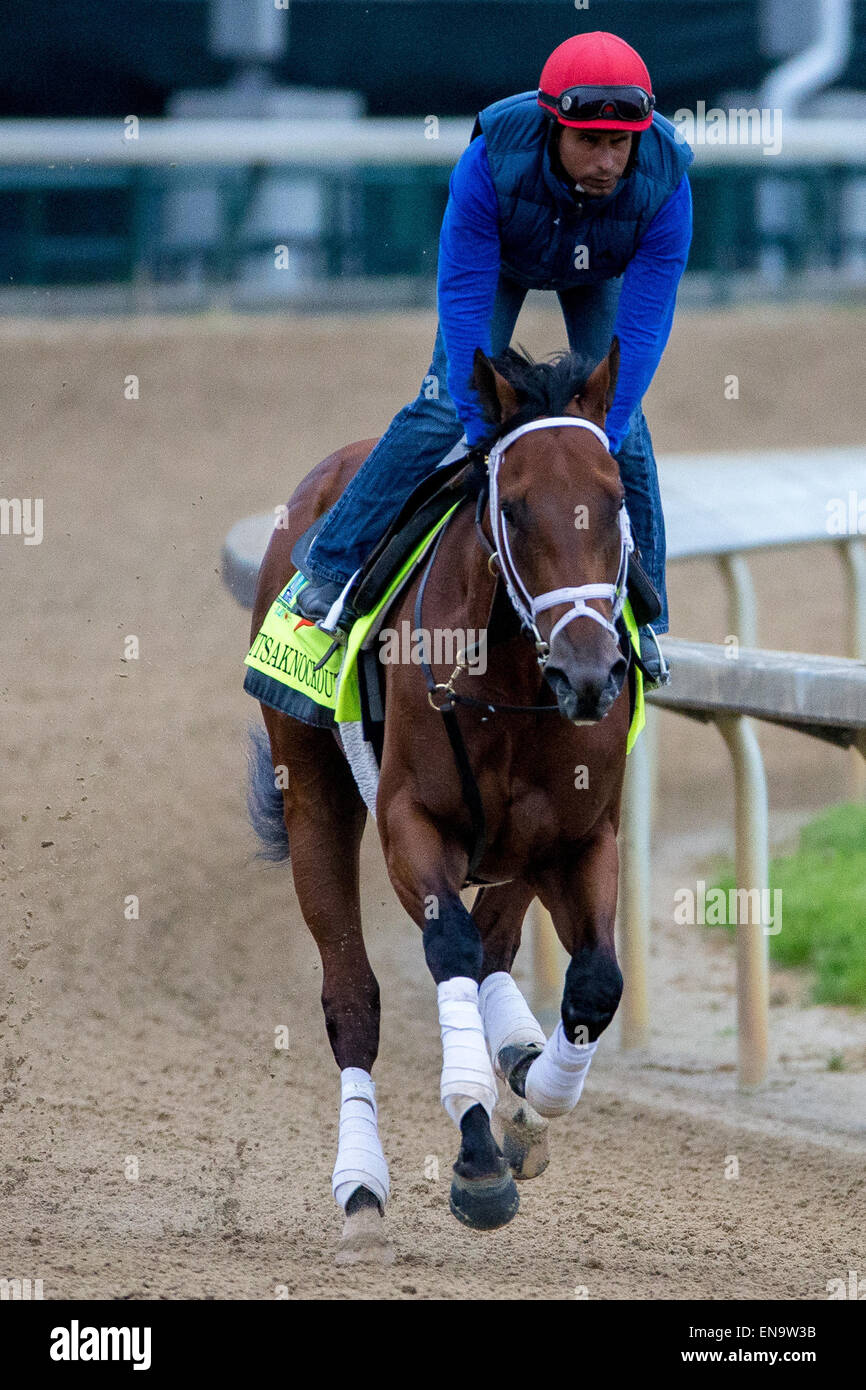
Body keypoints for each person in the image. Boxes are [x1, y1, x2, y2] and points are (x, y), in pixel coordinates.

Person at [294, 30, 694, 687]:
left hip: (600, 267)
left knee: (630, 429)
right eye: (588, 141)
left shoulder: (667, 181)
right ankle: (334, 564)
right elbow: (462, 306)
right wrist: (484, 436)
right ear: (552, 127)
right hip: (502, 259)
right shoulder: (487, 163)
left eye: (619, 143)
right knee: (445, 404)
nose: (606, 161)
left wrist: (605, 433)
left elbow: (644, 328)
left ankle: (644, 620)